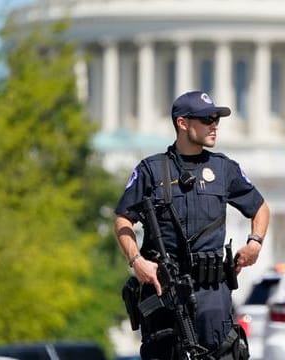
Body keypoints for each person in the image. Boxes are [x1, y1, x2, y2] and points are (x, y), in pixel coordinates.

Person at [114, 90, 270, 359]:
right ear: (182, 123)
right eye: (206, 119)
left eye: (216, 119)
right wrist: (137, 260)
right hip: (164, 289)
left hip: (212, 292)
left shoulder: (224, 169)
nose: (214, 125)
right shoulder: (152, 170)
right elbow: (123, 219)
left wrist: (254, 243)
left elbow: (260, 208)